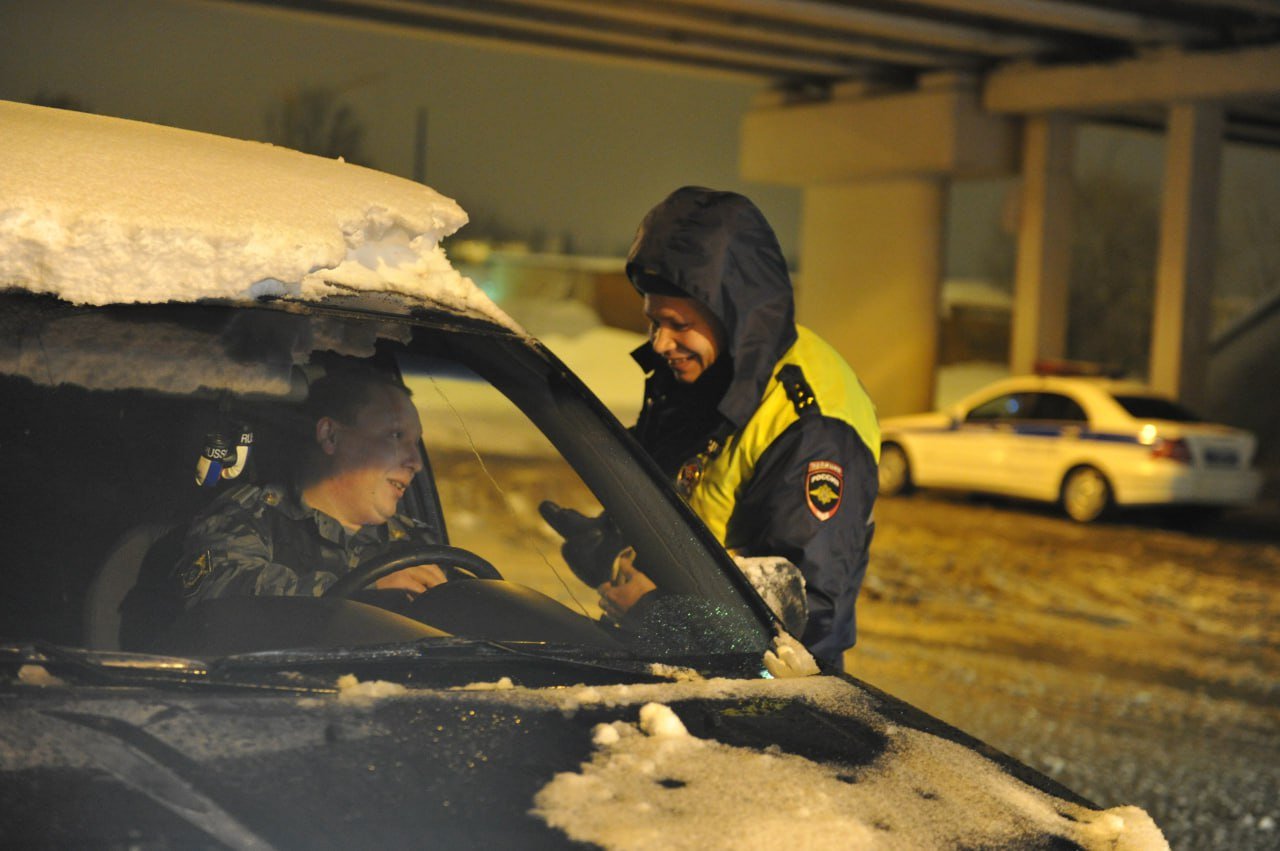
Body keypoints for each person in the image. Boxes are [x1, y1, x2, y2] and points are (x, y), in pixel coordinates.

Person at [545, 187, 880, 670]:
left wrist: (655, 613)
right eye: (653, 322)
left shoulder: (811, 424)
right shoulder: (704, 378)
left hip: (762, 698)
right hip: (686, 671)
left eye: (678, 324)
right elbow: (682, 507)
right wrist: (609, 543)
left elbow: (805, 609)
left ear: (734, 315)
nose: (660, 343)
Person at [175, 366, 447, 606]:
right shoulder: (248, 519)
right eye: (397, 436)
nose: (416, 462)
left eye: (415, 442)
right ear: (330, 435)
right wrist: (364, 591)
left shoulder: (417, 542)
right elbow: (222, 597)